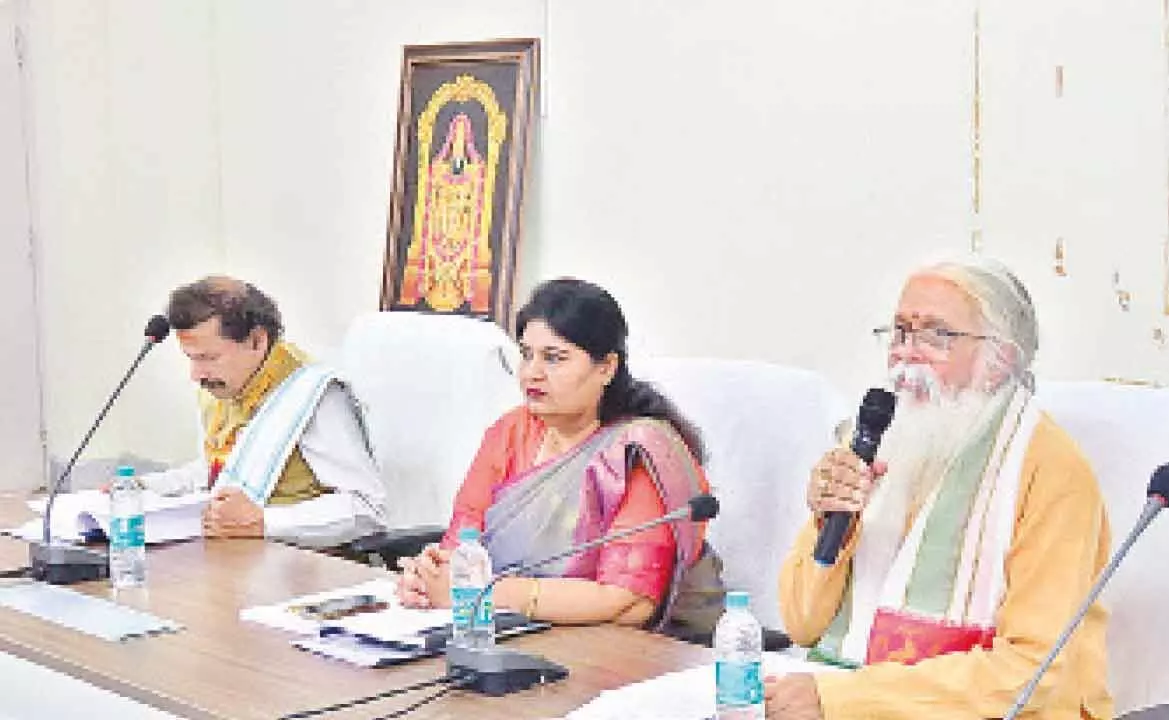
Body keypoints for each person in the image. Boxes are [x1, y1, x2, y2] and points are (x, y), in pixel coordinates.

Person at [768, 258, 1112, 719]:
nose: (907, 353)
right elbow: (802, 624)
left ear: (1000, 359)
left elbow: (1033, 672)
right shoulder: (878, 444)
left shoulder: (1050, 469)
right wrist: (832, 520)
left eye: (936, 335)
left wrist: (843, 701)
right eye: (901, 331)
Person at [396, 278, 724, 634]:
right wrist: (428, 577)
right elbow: (461, 549)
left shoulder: (637, 451)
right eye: (526, 355)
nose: (532, 373)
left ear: (606, 368)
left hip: (636, 648)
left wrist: (487, 594)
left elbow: (628, 602)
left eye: (554, 358)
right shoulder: (509, 433)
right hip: (518, 634)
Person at [135, 276, 387, 548]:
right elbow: (220, 471)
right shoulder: (222, 389)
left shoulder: (313, 396)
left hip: (307, 568)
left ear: (257, 341)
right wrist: (144, 488)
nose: (196, 375)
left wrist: (264, 521)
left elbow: (367, 510)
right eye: (191, 358)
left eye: (208, 358)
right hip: (232, 558)